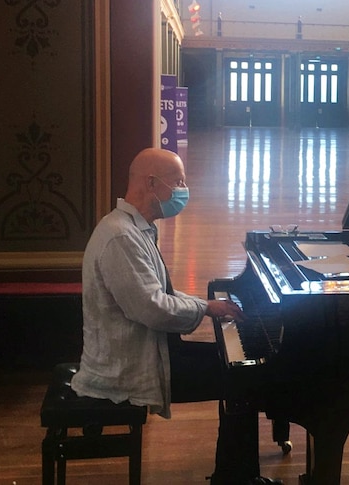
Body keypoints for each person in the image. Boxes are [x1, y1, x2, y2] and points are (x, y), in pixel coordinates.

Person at [71, 148, 281, 485]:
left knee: (236, 368)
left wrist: (204, 305)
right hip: (131, 366)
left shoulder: (135, 228)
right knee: (243, 378)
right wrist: (204, 308)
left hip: (151, 350)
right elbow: (153, 308)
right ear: (152, 183)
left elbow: (159, 297)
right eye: (178, 182)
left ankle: (233, 474)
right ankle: (235, 478)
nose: (184, 190)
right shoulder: (122, 237)